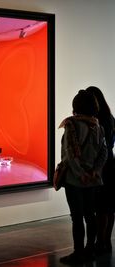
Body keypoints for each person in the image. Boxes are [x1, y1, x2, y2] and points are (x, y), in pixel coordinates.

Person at [59, 90, 107, 265]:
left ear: (76, 106)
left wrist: (81, 174)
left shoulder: (72, 125)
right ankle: (90, 249)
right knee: (90, 215)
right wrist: (95, 171)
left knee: (77, 217)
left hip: (74, 179)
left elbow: (70, 154)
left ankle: (78, 252)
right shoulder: (98, 126)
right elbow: (104, 152)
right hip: (93, 179)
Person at [86, 86, 115, 253]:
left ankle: (99, 241)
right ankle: (106, 241)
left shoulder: (95, 121)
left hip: (100, 166)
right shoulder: (110, 117)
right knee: (109, 207)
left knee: (101, 207)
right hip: (110, 164)